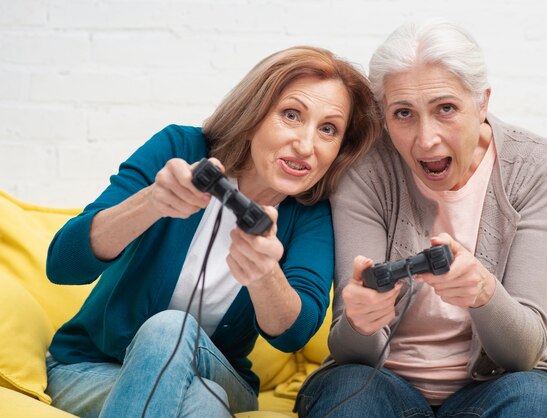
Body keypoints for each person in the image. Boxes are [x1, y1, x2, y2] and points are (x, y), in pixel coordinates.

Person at [44, 45, 381, 418]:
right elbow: (62, 264)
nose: (305, 145)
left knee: (169, 331)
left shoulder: (310, 213)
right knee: (202, 402)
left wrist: (265, 274)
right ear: (254, 115)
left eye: (328, 129)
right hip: (91, 369)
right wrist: (151, 202)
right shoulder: (180, 148)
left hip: (220, 373)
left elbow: (293, 334)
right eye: (290, 115)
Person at [296, 21, 547, 417]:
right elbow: (347, 351)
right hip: (379, 381)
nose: (426, 139)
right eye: (403, 113)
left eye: (446, 108)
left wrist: (483, 293)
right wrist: (359, 322)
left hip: (498, 386)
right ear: (384, 116)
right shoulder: (365, 169)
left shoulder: (532, 163)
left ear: (482, 103)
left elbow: (526, 353)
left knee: (534, 399)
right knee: (347, 394)